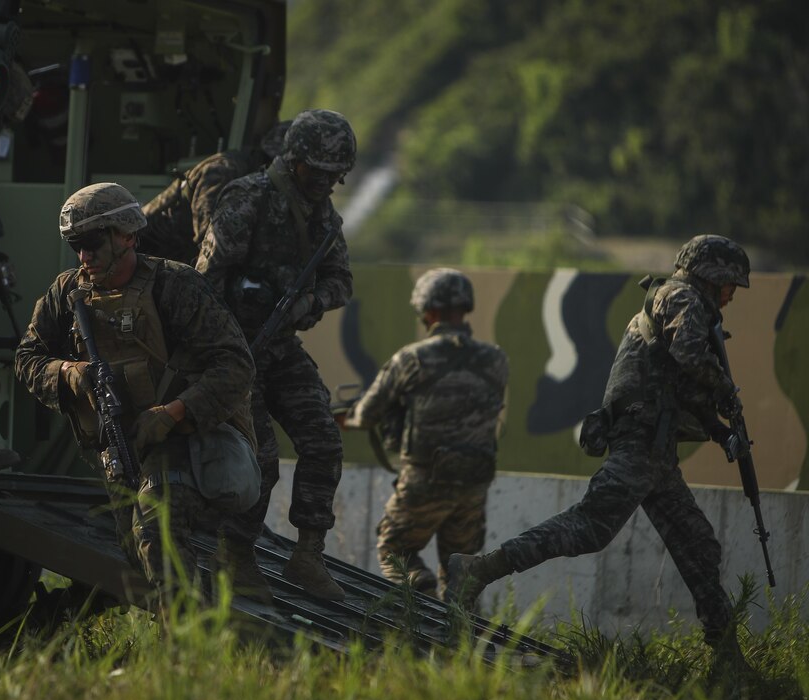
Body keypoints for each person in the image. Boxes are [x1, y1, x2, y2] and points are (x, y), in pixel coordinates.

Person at [445, 235, 752, 661]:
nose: (732, 294)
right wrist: (726, 389)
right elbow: (688, 355)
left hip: (657, 454)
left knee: (699, 545)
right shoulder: (683, 298)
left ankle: (728, 656)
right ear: (711, 274)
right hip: (641, 445)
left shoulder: (677, 301)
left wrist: (718, 429)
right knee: (588, 528)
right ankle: (477, 569)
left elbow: (678, 382)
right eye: (730, 283)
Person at [15, 182, 256, 601]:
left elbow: (236, 365)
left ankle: (183, 651)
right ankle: (202, 625)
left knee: (155, 532)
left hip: (184, 440)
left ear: (126, 235)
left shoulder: (174, 286)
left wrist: (175, 411)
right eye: (75, 244)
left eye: (91, 242)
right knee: (134, 550)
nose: (83, 256)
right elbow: (26, 358)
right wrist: (69, 372)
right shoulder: (67, 292)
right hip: (121, 446)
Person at [196, 109, 356, 601]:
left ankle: (308, 556)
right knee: (260, 458)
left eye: (336, 176)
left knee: (323, 440)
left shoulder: (322, 214)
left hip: (280, 344)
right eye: (320, 172)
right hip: (233, 348)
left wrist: (310, 302)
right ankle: (236, 556)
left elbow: (340, 281)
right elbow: (203, 283)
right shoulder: (248, 199)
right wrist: (220, 348)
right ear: (295, 161)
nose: (328, 183)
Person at [342, 269, 508, 598]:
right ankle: (462, 639)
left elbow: (365, 415)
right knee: (463, 570)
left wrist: (348, 416)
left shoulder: (412, 358)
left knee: (395, 550)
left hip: (425, 479)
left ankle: (420, 592)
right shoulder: (495, 359)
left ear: (426, 311)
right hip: (475, 482)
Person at [137, 120, 292, 265]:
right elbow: (208, 241)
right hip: (149, 248)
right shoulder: (223, 171)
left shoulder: (256, 179)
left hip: (178, 253)